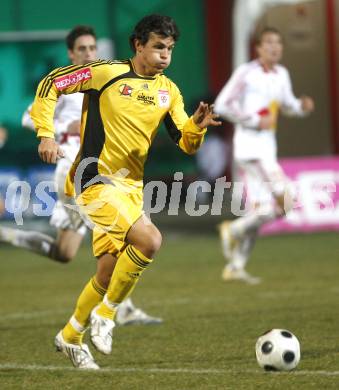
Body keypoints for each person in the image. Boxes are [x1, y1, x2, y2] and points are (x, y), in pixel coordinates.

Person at [30, 15, 220, 369]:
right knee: (150, 240)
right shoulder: (104, 73)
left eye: (170, 49)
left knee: (107, 271)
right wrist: (46, 132)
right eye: (158, 47)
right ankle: (107, 314)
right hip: (93, 180)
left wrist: (196, 126)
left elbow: (185, 142)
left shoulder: (169, 91)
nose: (165, 55)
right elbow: (50, 83)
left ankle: (70, 336)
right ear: (138, 46)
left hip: (130, 188)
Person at [0, 25, 162, 326]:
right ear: (71, 54)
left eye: (92, 48)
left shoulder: (102, 81)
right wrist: (63, 129)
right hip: (75, 174)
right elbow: (28, 116)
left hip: (95, 173)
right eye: (82, 49)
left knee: (64, 252)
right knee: (121, 236)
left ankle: (8, 235)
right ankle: (122, 309)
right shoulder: (65, 86)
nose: (89, 53)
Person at [214, 27, 314, 284]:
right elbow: (223, 104)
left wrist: (301, 108)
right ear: (258, 47)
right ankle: (233, 229)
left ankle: (236, 267)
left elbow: (288, 105)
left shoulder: (282, 74)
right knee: (287, 201)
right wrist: (253, 121)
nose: (275, 47)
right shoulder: (247, 73)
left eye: (278, 42)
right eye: (269, 42)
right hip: (250, 148)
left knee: (261, 211)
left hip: (267, 150)